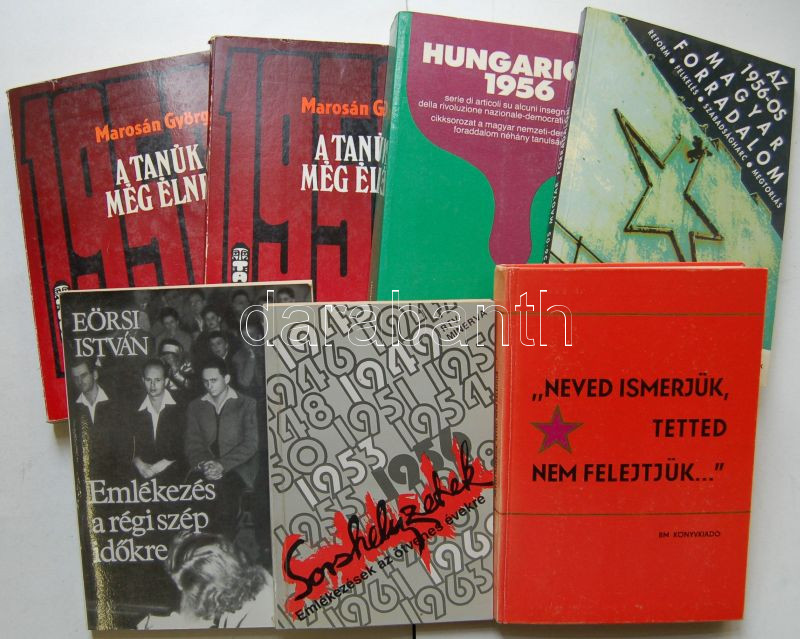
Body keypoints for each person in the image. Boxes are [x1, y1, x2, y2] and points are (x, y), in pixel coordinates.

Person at [185, 358, 258, 539]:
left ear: (226, 379)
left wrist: (221, 465)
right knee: (195, 494)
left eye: (214, 380)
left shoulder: (247, 404)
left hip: (238, 467)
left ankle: (223, 543)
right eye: (205, 381)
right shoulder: (195, 406)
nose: (209, 386)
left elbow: (250, 444)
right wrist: (205, 464)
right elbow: (193, 443)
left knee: (225, 495)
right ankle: (203, 544)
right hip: (205, 467)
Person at [137, 531, 273, 629]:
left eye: (185, 589)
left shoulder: (260, 610)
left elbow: (192, 621)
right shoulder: (232, 590)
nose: (183, 598)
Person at [69, 357, 128, 481]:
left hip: (119, 479)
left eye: (83, 375)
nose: (80, 381)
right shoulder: (72, 409)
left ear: (95, 374)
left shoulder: (118, 403)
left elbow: (127, 446)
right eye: (75, 378)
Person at [131, 359, 185, 484]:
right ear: (143, 380)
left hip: (175, 471)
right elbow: (128, 445)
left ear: (166, 381)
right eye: (148, 380)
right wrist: (139, 463)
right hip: (142, 472)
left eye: (158, 380)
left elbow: (185, 446)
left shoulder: (182, 405)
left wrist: (156, 468)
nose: (152, 385)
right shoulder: (134, 408)